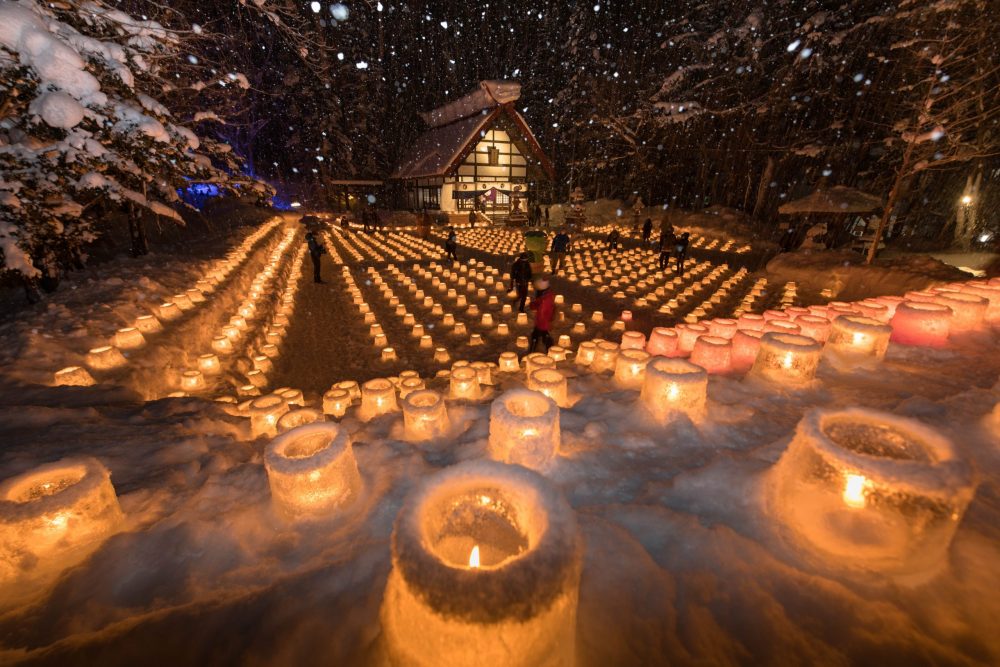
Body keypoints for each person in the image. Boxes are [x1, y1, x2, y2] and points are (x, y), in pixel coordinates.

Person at [528, 276, 556, 353]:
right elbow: (538, 303)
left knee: (538, 336)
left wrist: (542, 323)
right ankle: (549, 348)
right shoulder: (546, 296)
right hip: (542, 322)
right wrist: (533, 304)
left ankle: (534, 350)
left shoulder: (546, 300)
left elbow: (544, 313)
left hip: (542, 322)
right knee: (541, 335)